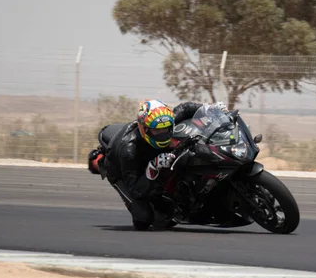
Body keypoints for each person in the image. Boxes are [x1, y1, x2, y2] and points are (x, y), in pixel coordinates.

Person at [93, 98, 227, 231]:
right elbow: (136, 190)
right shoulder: (128, 151)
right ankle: (140, 213)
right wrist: (153, 166)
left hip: (151, 157)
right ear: (144, 129)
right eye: (157, 131)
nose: (163, 134)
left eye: (166, 129)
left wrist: (211, 108)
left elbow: (186, 107)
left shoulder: (166, 118)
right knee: (144, 218)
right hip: (120, 169)